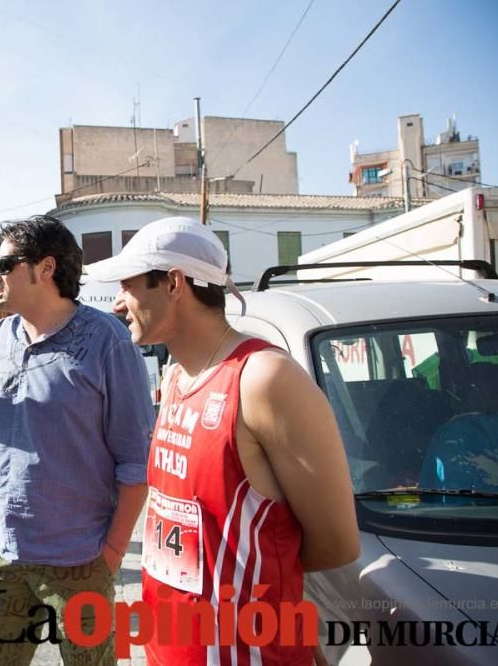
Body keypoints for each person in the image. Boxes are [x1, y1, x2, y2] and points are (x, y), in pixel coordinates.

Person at [86, 216, 360, 665]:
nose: (118, 303)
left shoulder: (265, 379)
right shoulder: (174, 377)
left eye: (128, 286)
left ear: (174, 283)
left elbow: (336, 542)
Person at [0, 215, 155, 665]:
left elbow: (136, 464)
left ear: (45, 268)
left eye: (4, 262)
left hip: (79, 557)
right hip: (4, 547)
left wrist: (111, 554)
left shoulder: (107, 341)